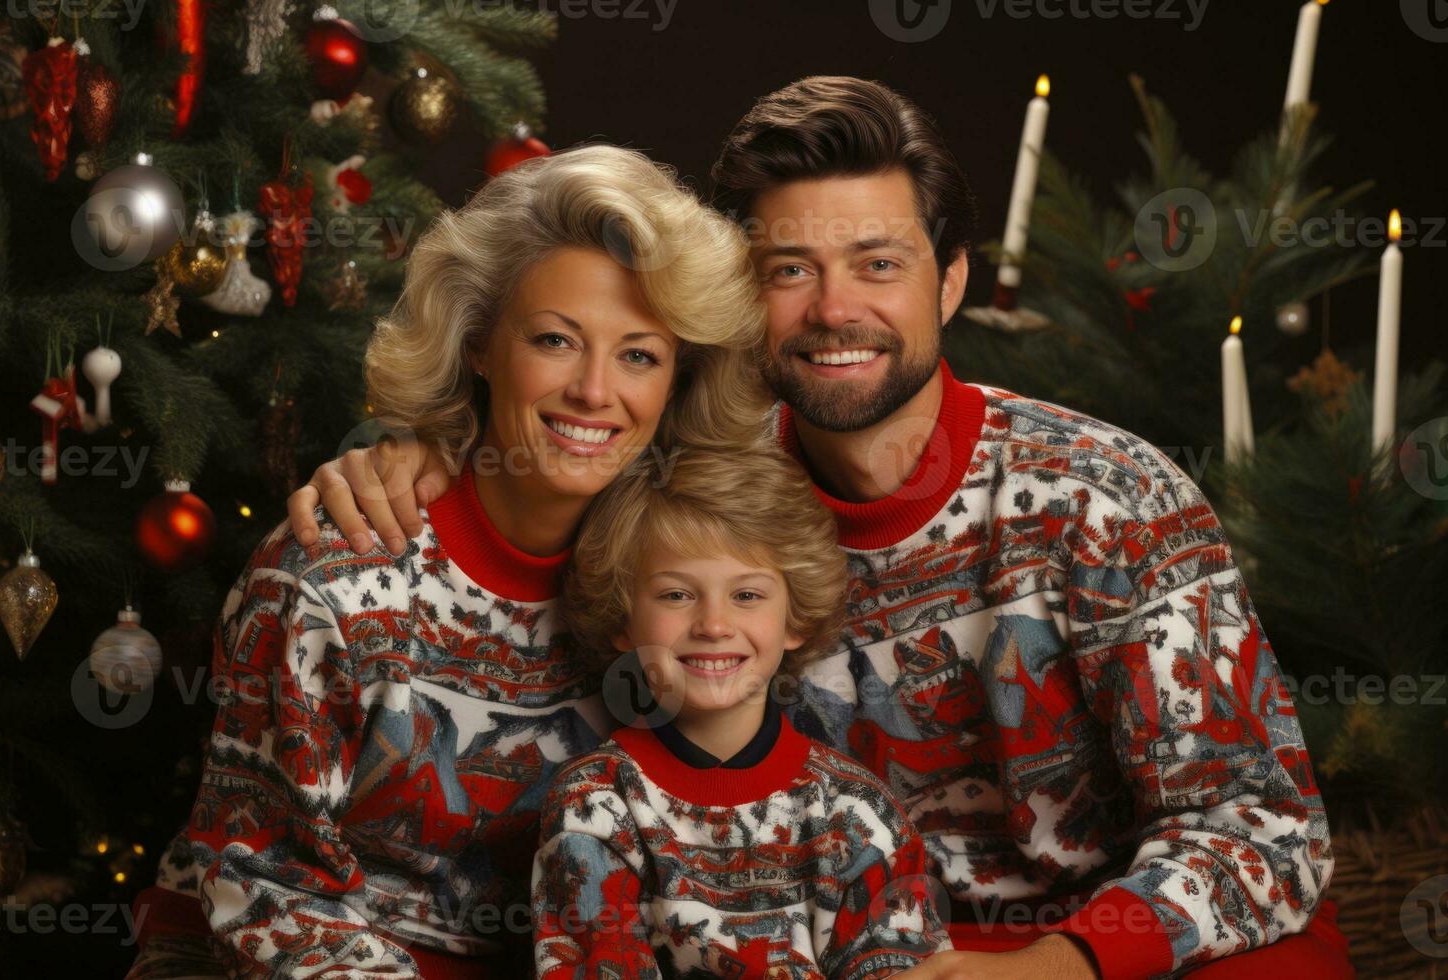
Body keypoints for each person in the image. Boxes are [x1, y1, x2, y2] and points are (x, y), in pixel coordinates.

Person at [287, 77, 1352, 978]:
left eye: (879, 264)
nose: (834, 307)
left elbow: (1261, 825)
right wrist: (415, 448)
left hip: (1082, 949)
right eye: (789, 269)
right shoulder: (697, 496)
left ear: (953, 279)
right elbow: (550, 432)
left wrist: (1060, 962)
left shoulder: (1104, 496)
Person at [125, 144, 771, 979]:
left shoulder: (691, 591)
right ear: (477, 343)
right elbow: (262, 885)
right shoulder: (334, 573)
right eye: (555, 340)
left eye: (640, 354)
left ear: (679, 378)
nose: (594, 392)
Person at [532, 443, 953, 977]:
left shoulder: (855, 814)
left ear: (794, 619)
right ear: (623, 620)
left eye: (748, 595)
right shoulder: (596, 807)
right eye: (677, 595)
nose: (713, 624)